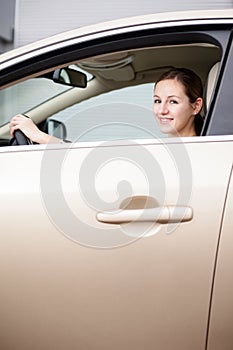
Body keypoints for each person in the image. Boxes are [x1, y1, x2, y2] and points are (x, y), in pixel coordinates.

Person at [153, 67, 204, 137]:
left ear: (196, 106)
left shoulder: (201, 147)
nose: (161, 111)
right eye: (158, 101)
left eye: (173, 101)